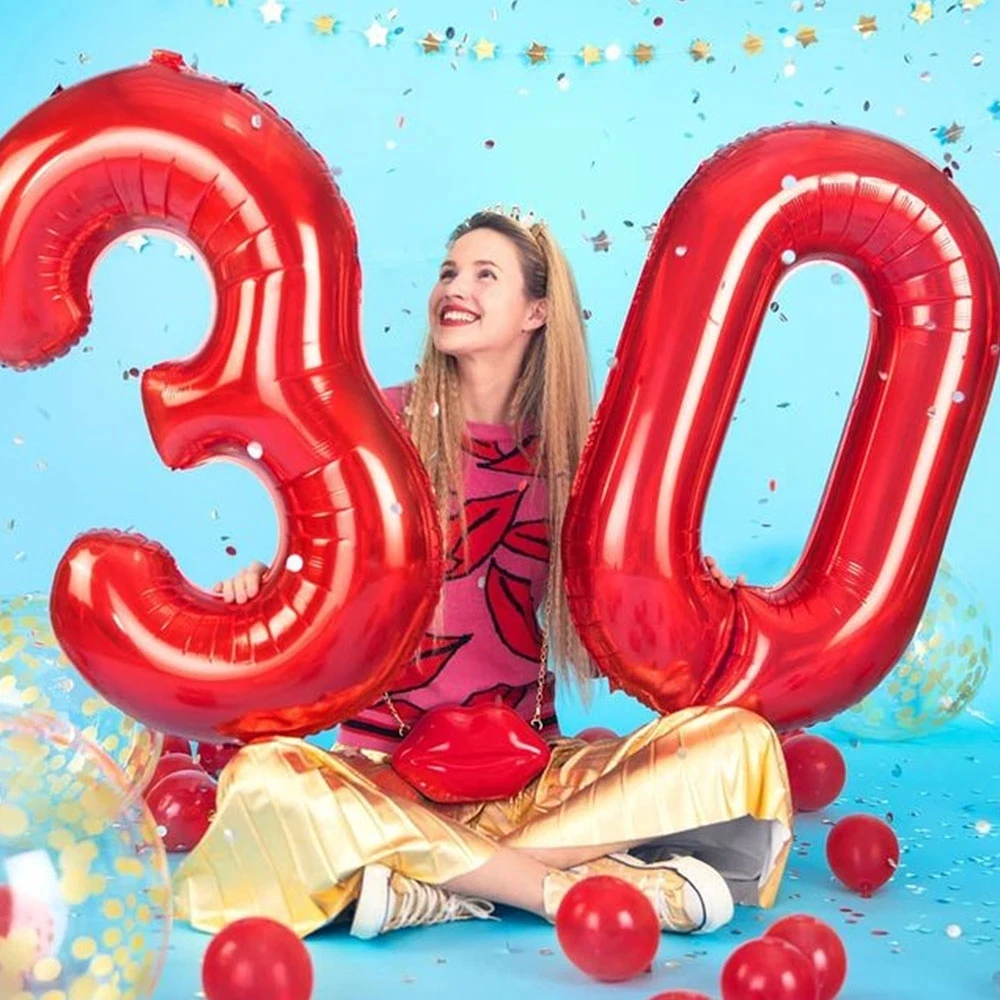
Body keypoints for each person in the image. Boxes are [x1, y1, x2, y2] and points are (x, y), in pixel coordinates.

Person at [177, 207, 792, 941]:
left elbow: (624, 615)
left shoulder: (581, 455)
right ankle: (559, 887)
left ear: (537, 311)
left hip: (533, 774)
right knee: (263, 779)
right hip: (382, 774)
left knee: (739, 742)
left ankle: (431, 882)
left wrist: (681, 591)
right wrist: (267, 586)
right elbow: (324, 573)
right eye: (448, 271)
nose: (454, 288)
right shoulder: (374, 425)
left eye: (484, 274)